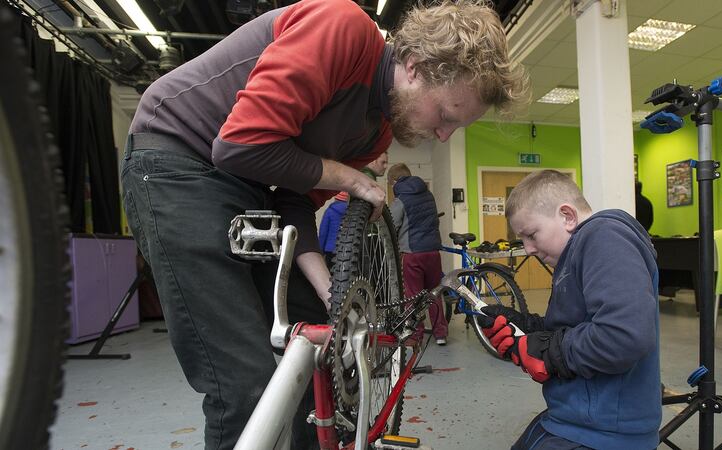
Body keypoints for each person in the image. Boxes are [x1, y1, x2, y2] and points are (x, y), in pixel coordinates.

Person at [120, 0, 528, 447]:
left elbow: (294, 202)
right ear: (415, 66)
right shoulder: (344, 29)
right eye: (447, 115)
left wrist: (329, 290)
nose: (444, 134)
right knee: (244, 382)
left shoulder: (378, 131)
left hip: (247, 189)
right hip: (176, 165)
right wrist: (351, 178)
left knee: (319, 346)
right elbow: (239, 145)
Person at [477, 170, 661, 449]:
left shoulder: (604, 237)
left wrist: (548, 352)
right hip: (577, 418)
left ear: (567, 216)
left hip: (602, 432)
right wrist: (527, 327)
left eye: (532, 235)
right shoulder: (579, 250)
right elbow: (579, 324)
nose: (527, 249)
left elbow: (624, 335)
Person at [388, 163, 448, 345]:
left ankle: (416, 336)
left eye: (391, 183)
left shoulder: (400, 200)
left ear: (395, 181)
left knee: (413, 297)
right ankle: (441, 334)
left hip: (412, 254)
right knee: (434, 293)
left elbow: (391, 224)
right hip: (433, 252)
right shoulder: (428, 194)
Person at [318, 191, 349, 267]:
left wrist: (320, 250)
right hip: (347, 249)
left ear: (336, 199)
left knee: (330, 275)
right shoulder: (351, 213)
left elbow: (323, 232)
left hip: (330, 249)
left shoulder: (330, 211)